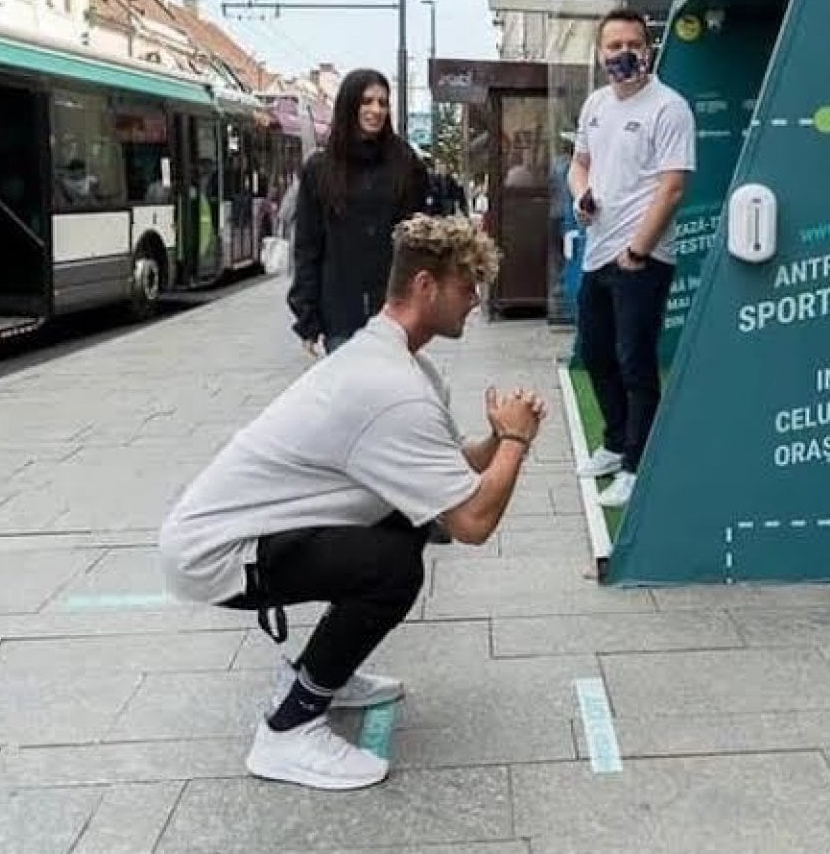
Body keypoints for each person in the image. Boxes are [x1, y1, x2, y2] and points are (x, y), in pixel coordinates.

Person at [159, 214, 544, 791]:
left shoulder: (400, 361)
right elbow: (471, 522)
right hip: (215, 555)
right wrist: (515, 442)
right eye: (468, 287)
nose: (475, 300)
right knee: (391, 568)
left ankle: (323, 675)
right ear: (424, 286)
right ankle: (288, 729)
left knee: (405, 526)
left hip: (249, 535)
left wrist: (491, 440)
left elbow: (441, 470)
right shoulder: (391, 387)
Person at [568, 7, 695, 508]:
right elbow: (581, 163)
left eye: (631, 45)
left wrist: (638, 251)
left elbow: (673, 187)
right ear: (600, 55)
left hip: (642, 258)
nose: (623, 54)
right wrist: (581, 195)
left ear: (648, 48)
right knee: (596, 354)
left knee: (635, 362)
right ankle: (616, 441)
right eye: (613, 46)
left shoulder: (669, 107)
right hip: (598, 253)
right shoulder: (596, 104)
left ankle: (637, 467)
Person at [288, 68, 430, 355]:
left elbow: (419, 237)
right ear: (349, 105)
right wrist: (307, 318)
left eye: (382, 102)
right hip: (340, 311)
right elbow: (308, 247)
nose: (376, 110)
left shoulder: (404, 162)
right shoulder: (320, 169)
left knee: (393, 396)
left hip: (394, 310)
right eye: (367, 102)